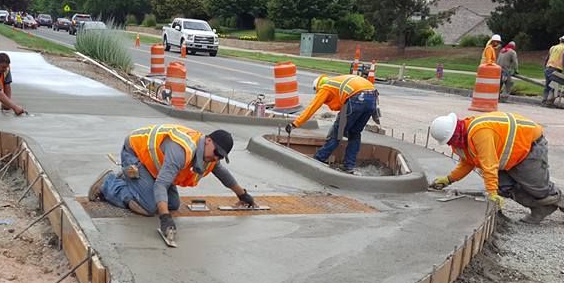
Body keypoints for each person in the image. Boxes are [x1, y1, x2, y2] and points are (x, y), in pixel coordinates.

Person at [88, 125, 257, 240]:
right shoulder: (182, 150)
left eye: (220, 156)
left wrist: (243, 194)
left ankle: (131, 179)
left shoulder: (209, 154)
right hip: (135, 153)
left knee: (173, 204)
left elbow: (222, 173)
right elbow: (161, 184)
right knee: (149, 207)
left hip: (155, 166)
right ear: (208, 140)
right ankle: (108, 184)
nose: (216, 158)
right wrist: (165, 218)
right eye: (216, 153)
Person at [428, 111, 564, 227]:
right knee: (503, 187)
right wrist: (449, 180)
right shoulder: (460, 142)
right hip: (510, 157)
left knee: (538, 187)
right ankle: (540, 209)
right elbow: (468, 162)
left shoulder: (479, 132)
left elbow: (489, 165)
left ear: (456, 131)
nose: (451, 144)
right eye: (448, 142)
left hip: (528, 145)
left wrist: (491, 194)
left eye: (451, 140)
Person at [285, 74, 379, 173]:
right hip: (372, 97)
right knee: (354, 133)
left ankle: (318, 159)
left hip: (355, 98)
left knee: (337, 133)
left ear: (318, 87)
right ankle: (349, 166)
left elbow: (312, 108)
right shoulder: (336, 82)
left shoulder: (326, 87)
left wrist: (295, 124)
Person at [543, 34, 564, 105]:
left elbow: (547, 58)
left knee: (547, 86)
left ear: (561, 40)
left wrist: (545, 66)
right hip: (556, 70)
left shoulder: (553, 47)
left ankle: (544, 100)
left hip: (548, 68)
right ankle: (549, 102)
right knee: (554, 87)